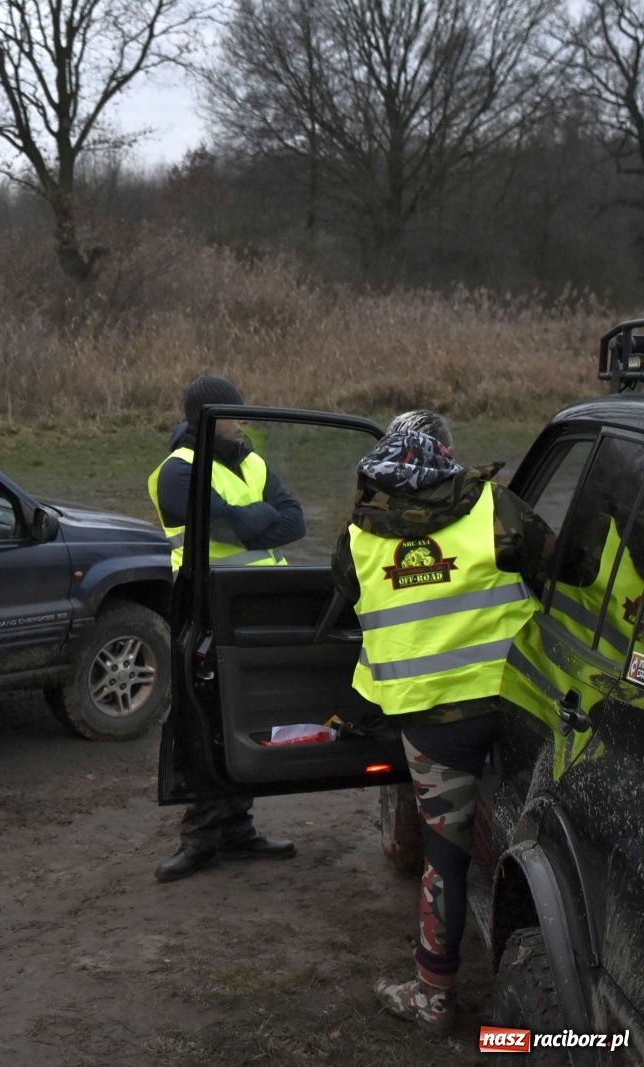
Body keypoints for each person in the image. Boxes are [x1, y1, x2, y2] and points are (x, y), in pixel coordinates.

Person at [332, 410, 555, 1032]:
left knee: (445, 859)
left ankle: (433, 997)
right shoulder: (494, 508)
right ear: (448, 452)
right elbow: (556, 571)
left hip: (434, 723)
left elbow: (347, 594)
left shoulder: (357, 533)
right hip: (521, 706)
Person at [147, 375, 303, 883]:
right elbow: (237, 526)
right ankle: (199, 837)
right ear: (207, 419)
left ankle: (237, 828)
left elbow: (293, 521)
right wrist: (255, 519)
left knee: (246, 716)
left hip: (257, 608)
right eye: (235, 413)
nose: (244, 421)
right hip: (204, 607)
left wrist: (246, 519)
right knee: (204, 719)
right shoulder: (176, 472)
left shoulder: (254, 461)